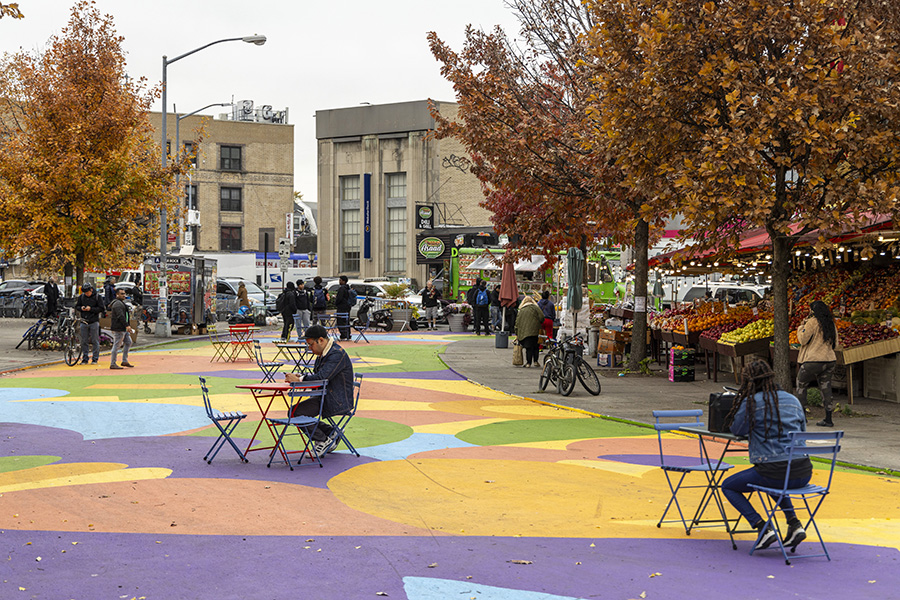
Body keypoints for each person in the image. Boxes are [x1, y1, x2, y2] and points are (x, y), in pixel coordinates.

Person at [721, 360, 811, 552]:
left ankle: (762, 527)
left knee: (728, 486)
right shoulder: (793, 400)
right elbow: (801, 430)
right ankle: (794, 522)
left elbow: (737, 429)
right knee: (774, 479)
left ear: (749, 383)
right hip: (803, 471)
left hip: (773, 472)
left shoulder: (753, 402)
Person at [284, 325, 355, 455]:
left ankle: (323, 440)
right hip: (326, 396)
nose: (310, 349)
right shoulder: (325, 353)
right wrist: (300, 377)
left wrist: (299, 380)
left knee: (295, 413)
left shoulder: (336, 354)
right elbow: (319, 377)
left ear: (321, 340)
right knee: (294, 412)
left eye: (311, 345)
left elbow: (322, 378)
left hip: (336, 400)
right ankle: (330, 432)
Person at [796, 300, 839, 427]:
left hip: (813, 360)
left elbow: (803, 340)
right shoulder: (831, 323)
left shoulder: (812, 322)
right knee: (826, 387)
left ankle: (803, 417)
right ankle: (828, 418)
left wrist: (801, 327)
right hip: (830, 360)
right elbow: (836, 343)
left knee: (801, 384)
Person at [76, 282, 104, 364]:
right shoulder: (81, 297)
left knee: (95, 340)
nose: (87, 294)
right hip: (84, 320)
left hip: (94, 321)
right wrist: (81, 308)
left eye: (88, 292)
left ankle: (95, 358)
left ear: (91, 290)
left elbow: (101, 308)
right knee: (84, 341)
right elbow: (77, 306)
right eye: (85, 293)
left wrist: (91, 309)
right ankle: (85, 358)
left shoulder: (97, 297)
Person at [108, 287, 135, 370]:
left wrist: (126, 326)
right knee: (117, 345)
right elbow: (121, 316)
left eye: (124, 293)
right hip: (119, 328)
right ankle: (113, 363)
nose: (124, 295)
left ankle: (124, 360)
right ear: (117, 295)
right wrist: (127, 325)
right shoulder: (118, 304)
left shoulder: (119, 303)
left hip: (122, 328)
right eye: (122, 294)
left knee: (128, 342)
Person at [515, 295, 544, 368]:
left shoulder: (521, 310)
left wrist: (517, 332)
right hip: (535, 330)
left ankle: (528, 363)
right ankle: (536, 361)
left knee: (528, 348)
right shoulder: (536, 308)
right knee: (536, 346)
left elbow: (517, 322)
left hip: (525, 332)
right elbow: (542, 317)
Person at [334, 275, 352, 341]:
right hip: (347, 307)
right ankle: (348, 334)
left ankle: (343, 335)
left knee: (340, 321)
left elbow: (339, 298)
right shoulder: (348, 288)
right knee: (346, 321)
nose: (339, 281)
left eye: (340, 280)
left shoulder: (342, 289)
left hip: (341, 307)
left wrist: (336, 302)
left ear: (343, 281)